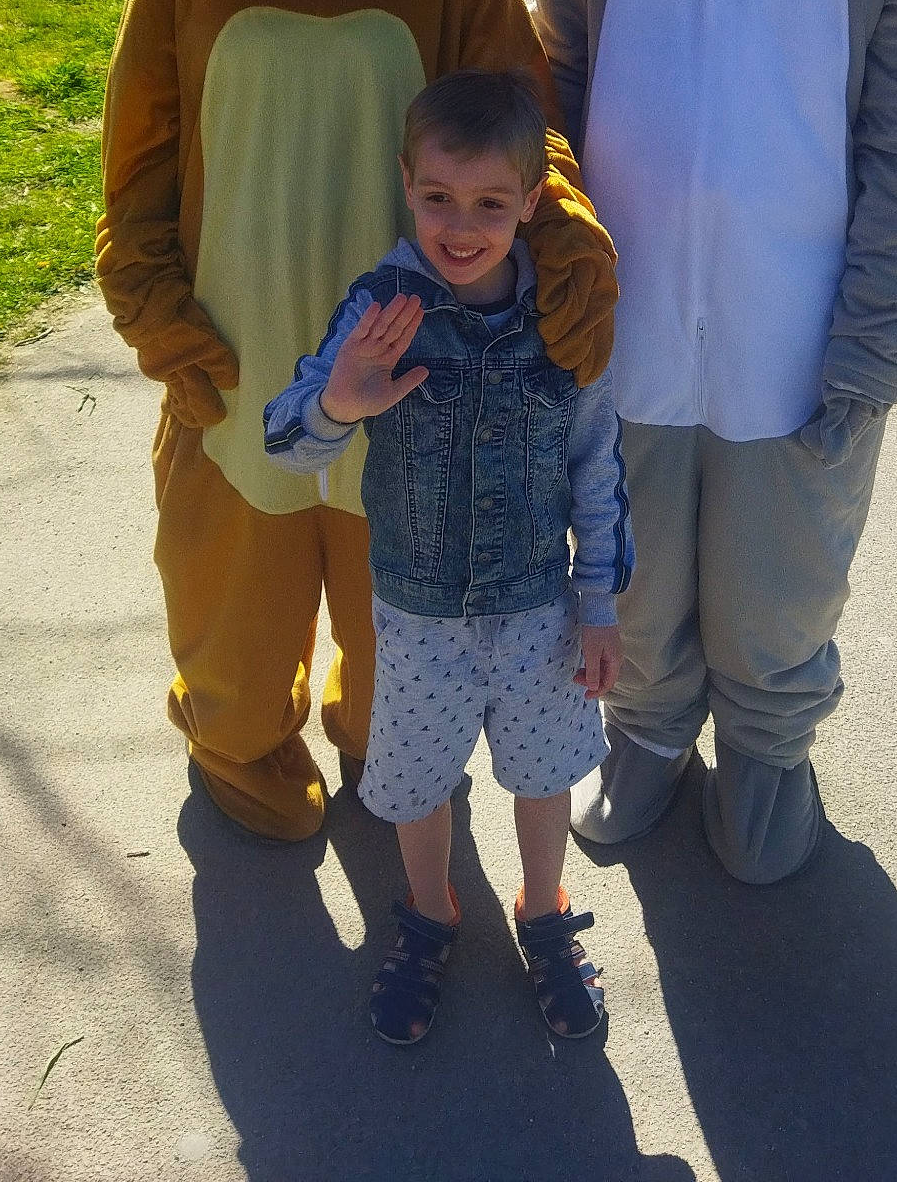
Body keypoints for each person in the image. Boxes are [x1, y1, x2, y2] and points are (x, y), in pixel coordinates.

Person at [264, 69, 634, 1045]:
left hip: (537, 608)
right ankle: (430, 914)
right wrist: (342, 399)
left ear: (528, 199)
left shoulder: (567, 314)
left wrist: (599, 602)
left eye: (488, 204)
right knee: (419, 781)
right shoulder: (382, 306)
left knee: (543, 770)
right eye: (437, 197)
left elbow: (598, 464)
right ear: (406, 181)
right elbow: (285, 438)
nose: (460, 226)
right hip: (418, 613)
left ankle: (544, 908)